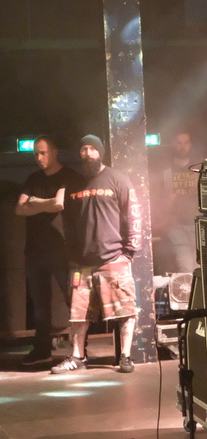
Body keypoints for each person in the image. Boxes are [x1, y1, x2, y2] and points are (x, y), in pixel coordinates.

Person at [51, 135, 143, 374]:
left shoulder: (118, 179)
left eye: (92, 149)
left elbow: (134, 214)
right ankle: (77, 357)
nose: (88, 153)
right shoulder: (73, 184)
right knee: (78, 314)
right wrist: (72, 252)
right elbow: (67, 222)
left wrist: (129, 252)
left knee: (125, 310)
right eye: (84, 149)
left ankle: (125, 356)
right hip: (81, 262)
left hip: (113, 257)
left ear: (100, 153)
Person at [14, 136, 84, 367]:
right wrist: (45, 203)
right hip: (35, 251)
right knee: (40, 304)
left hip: (63, 250)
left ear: (54, 152)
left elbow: (59, 204)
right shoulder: (33, 178)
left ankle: (79, 350)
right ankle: (41, 350)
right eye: (35, 153)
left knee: (73, 300)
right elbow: (20, 209)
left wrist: (35, 202)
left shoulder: (69, 176)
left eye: (43, 153)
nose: (39, 157)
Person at [154, 131, 199, 274]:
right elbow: (157, 198)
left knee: (198, 265)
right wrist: (165, 221)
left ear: (190, 145)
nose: (183, 146)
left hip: (196, 222)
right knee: (186, 265)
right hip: (176, 225)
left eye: (186, 142)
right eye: (179, 143)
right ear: (173, 144)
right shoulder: (165, 170)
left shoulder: (198, 169)